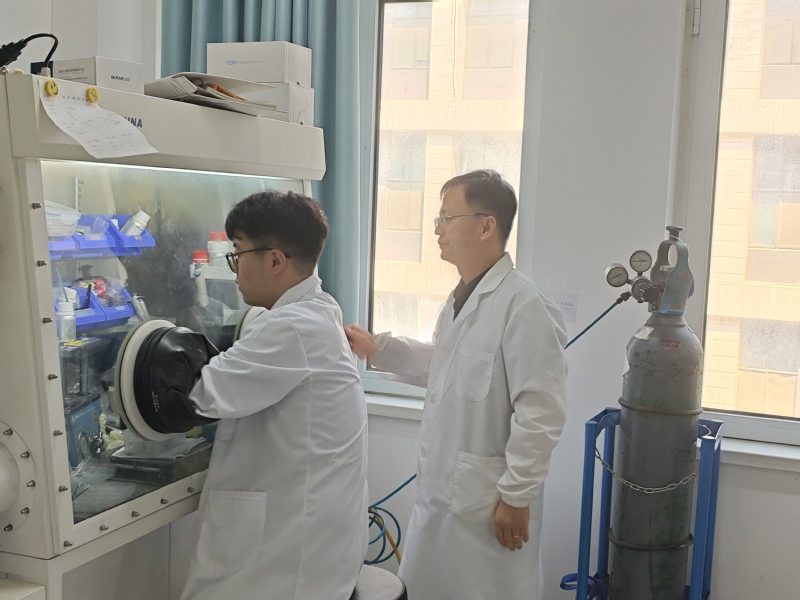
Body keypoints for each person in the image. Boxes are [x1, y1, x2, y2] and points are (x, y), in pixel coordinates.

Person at [345, 170, 567, 600]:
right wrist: (378, 349)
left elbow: (541, 412)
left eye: (447, 218)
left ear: (486, 226)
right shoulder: (459, 299)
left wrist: (517, 495)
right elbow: (444, 365)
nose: (438, 229)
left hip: (488, 505)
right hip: (444, 501)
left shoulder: (525, 305)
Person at [180, 190, 368, 600]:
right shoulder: (319, 309)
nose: (234, 270)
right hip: (319, 549)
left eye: (237, 254)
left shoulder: (290, 328)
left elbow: (200, 394)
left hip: (287, 565)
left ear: (275, 260)